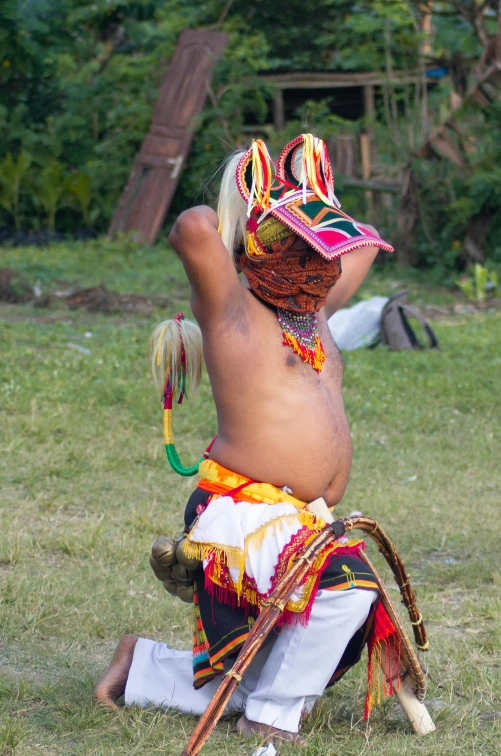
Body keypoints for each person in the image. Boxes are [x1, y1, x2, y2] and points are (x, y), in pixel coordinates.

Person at [95, 134, 399, 745]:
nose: (314, 261)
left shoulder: (311, 308)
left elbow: (362, 238)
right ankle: (272, 718)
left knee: (263, 659)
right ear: (257, 243)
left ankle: (146, 668)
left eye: (318, 247)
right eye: (295, 244)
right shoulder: (231, 309)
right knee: (346, 589)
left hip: (302, 515)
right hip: (246, 509)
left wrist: (308, 192)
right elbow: (193, 225)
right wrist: (251, 193)